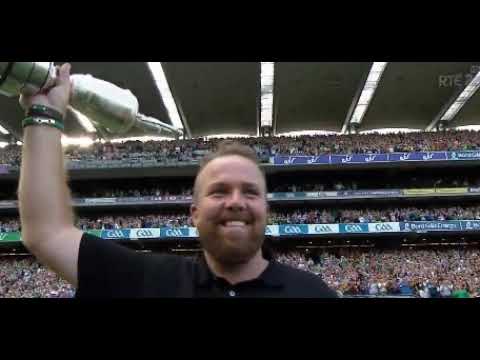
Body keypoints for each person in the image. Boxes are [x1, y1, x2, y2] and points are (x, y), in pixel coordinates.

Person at [18, 63, 337, 298]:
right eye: (219, 191)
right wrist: (45, 114)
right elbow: (47, 233)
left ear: (266, 209)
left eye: (250, 192)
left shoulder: (312, 292)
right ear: (194, 212)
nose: (236, 201)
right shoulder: (149, 280)